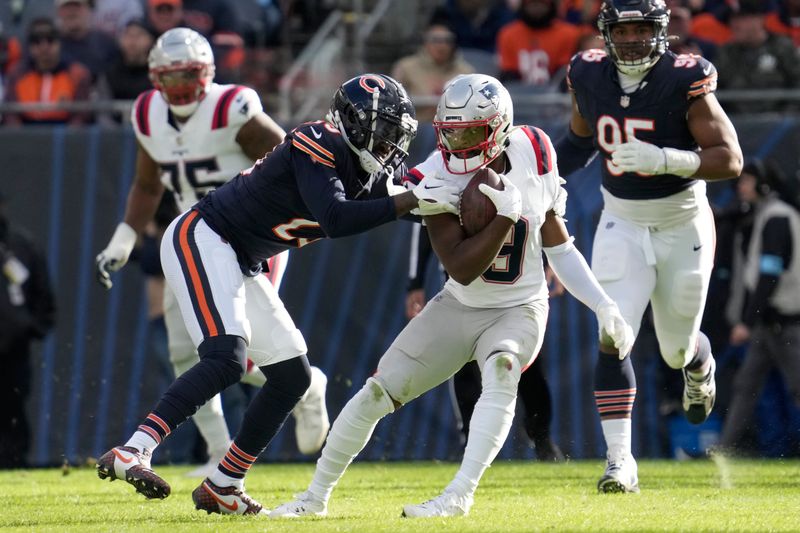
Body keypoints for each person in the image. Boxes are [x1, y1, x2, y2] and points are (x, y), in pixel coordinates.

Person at [270, 73, 634, 519]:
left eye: (470, 132)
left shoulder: (534, 148)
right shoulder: (433, 175)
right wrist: (504, 219)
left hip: (519, 307)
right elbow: (461, 268)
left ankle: (459, 495)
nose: (457, 143)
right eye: (450, 131)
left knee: (503, 370)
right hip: (460, 303)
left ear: (499, 128)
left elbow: (557, 242)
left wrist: (603, 304)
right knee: (374, 394)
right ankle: (314, 498)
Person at [95, 71, 460, 513]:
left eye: (394, 137)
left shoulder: (366, 164)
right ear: (351, 122)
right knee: (226, 358)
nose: (388, 148)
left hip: (240, 257)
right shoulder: (317, 141)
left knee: (292, 377)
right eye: (381, 134)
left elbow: (408, 203)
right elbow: (337, 218)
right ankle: (134, 448)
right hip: (205, 236)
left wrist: (466, 208)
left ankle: (224, 483)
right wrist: (412, 200)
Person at [93, 27, 333, 482]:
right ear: (154, 78)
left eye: (190, 75)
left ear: (208, 73)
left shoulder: (231, 107)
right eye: (172, 77)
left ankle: (304, 385)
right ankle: (219, 450)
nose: (181, 87)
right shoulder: (147, 113)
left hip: (249, 238)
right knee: (185, 350)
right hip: (194, 241)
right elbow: (147, 184)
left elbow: (293, 161)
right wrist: (124, 238)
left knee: (234, 350)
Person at [555, 0, 743, 492]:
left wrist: (665, 159)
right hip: (622, 221)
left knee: (677, 348)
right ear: (606, 33)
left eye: (643, 28)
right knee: (613, 333)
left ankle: (700, 366)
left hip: (683, 225)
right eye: (624, 28)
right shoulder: (587, 73)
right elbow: (579, 142)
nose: (634, 38)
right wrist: (542, 174)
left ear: (659, 31)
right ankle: (621, 462)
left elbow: (730, 158)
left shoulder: (685, 78)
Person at [406, 223, 564, 460]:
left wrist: (555, 259)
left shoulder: (530, 185)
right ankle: (469, 441)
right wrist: (415, 280)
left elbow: (543, 209)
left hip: (515, 279)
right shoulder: (443, 184)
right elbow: (425, 218)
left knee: (526, 360)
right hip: (464, 283)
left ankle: (542, 437)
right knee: (463, 361)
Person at [718, 160, 800, 454]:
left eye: (748, 180)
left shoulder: (777, 217)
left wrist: (746, 321)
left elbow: (769, 274)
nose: (741, 186)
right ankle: (723, 450)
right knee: (745, 386)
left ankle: (725, 447)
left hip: (786, 322)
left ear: (763, 183)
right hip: (768, 322)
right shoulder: (764, 215)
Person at [0, 192, 56, 468]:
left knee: (12, 405)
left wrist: (30, 326)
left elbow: (42, 291)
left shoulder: (20, 245)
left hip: (12, 345)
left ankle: (13, 462)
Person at [3, 17, 92, 125]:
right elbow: (10, 115)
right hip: (25, 133)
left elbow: (80, 117)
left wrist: (65, 139)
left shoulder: (77, 74)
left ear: (59, 43)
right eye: (37, 41)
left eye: (50, 40)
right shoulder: (17, 74)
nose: (44, 47)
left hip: (64, 134)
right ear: (29, 46)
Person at [715, 1, 800, 113]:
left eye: (741, 19)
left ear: (759, 19)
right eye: (731, 20)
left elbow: (797, 84)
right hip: (737, 125)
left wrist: (785, 118)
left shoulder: (782, 47)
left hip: (781, 123)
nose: (734, 25)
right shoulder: (726, 52)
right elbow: (714, 90)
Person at [390, 22, 474, 123]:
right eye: (436, 40)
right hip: (418, 125)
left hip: (454, 125)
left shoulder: (465, 71)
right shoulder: (405, 67)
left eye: (447, 41)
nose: (442, 45)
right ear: (425, 43)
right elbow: (393, 102)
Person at [496, 0, 585, 86]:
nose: (536, 8)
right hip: (519, 96)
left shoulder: (570, 34)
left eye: (541, 3)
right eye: (532, 4)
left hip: (555, 97)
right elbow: (508, 75)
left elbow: (564, 75)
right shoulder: (508, 34)